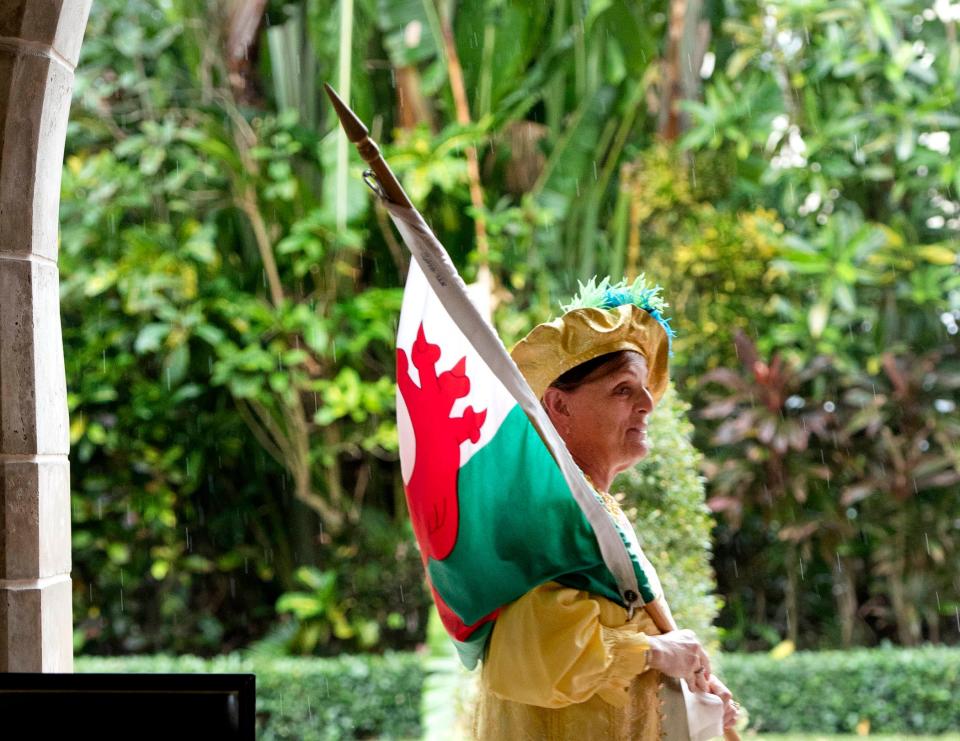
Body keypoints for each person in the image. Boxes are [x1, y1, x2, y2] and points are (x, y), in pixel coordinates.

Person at [472, 278, 739, 740]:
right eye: (622, 389)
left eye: (644, 389)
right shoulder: (546, 510)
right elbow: (530, 655)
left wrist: (697, 695)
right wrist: (655, 653)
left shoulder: (593, 506)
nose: (648, 404)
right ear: (559, 406)